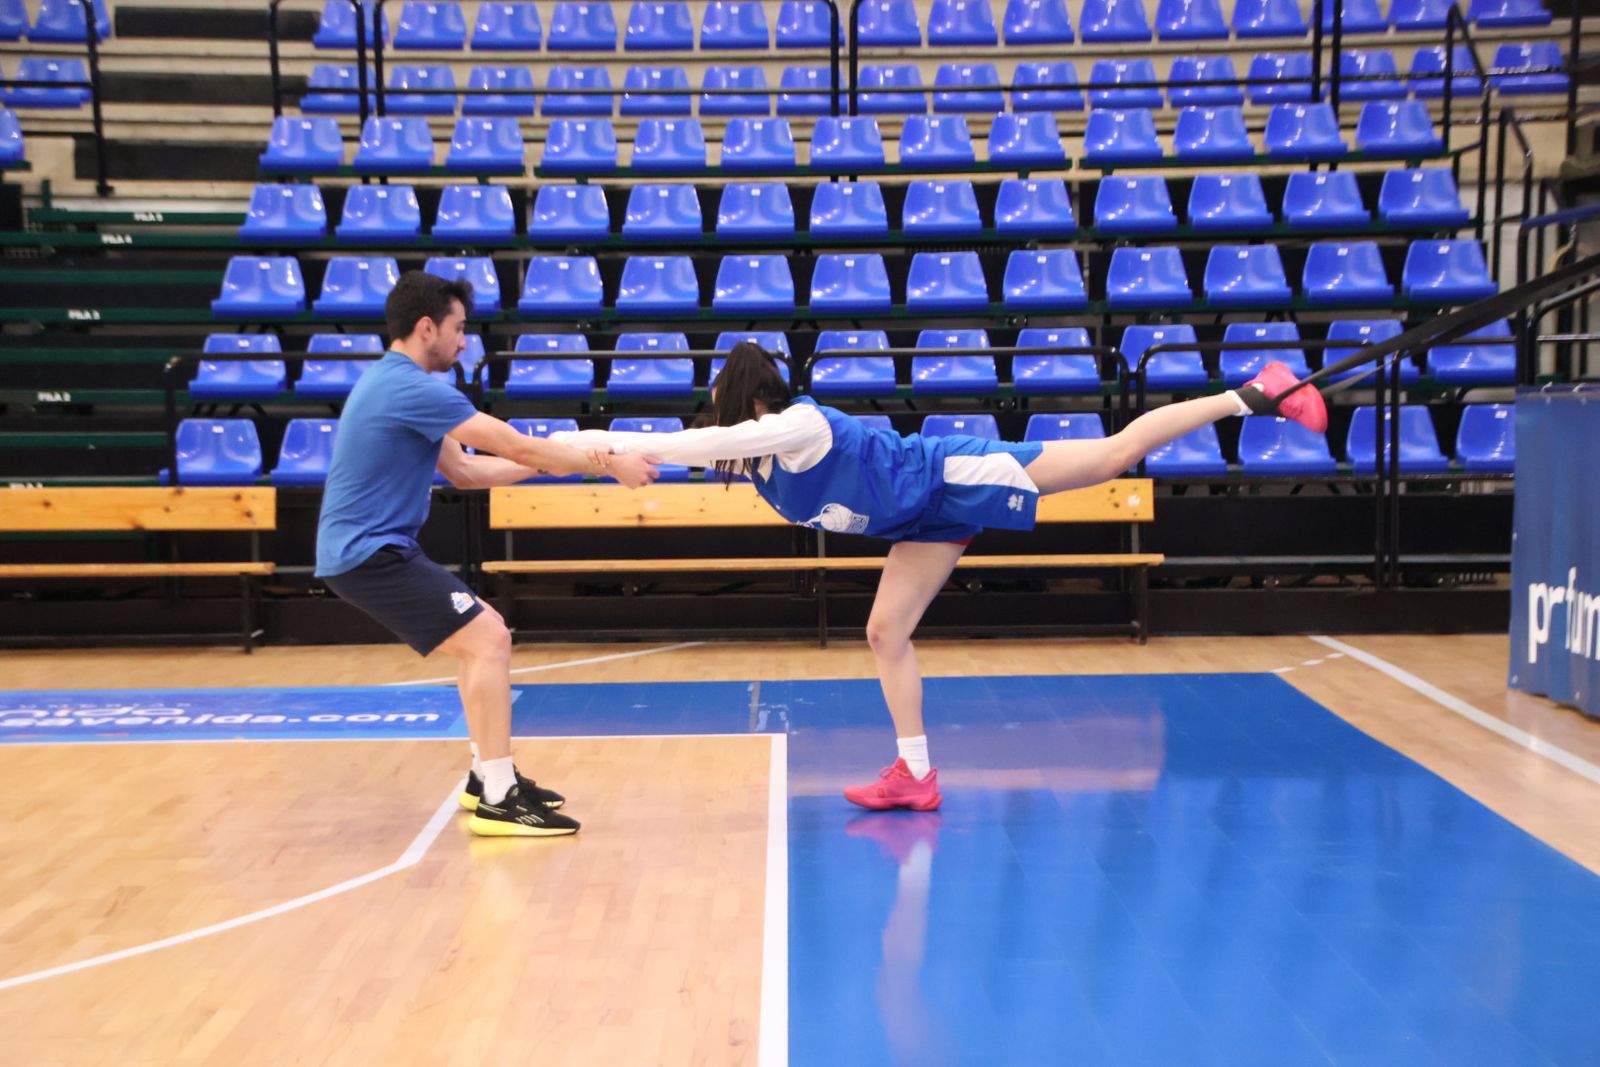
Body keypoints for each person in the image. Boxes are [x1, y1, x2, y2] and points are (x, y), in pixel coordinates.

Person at [549, 342, 1327, 811]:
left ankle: (1255, 393)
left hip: (953, 473)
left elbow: (674, 442)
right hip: (918, 520)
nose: (726, 428)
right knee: (884, 629)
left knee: (1113, 455)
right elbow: (668, 446)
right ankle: (914, 772)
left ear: (753, 400)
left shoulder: (797, 423)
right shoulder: (753, 462)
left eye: (730, 412)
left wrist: (626, 446)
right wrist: (582, 449)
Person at [315, 271, 660, 837]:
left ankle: (486, 778)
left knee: (484, 637)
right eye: (457, 329)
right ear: (426, 327)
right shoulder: (411, 388)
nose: (462, 342)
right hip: (368, 553)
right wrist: (604, 462)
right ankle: (499, 794)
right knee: (489, 639)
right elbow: (516, 444)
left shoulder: (398, 384)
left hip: (371, 551)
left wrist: (562, 455)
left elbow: (468, 471)